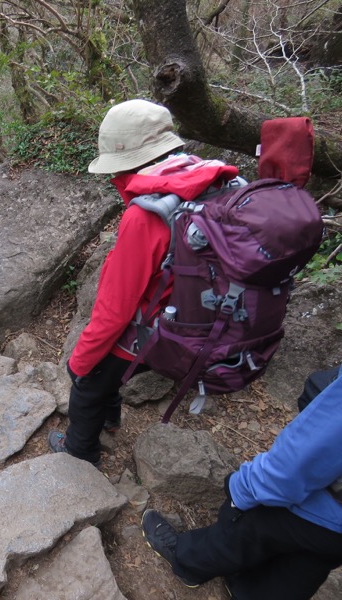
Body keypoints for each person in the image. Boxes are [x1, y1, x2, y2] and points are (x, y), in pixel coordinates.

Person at [47, 99, 240, 468]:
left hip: (152, 329)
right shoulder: (216, 181)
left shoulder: (146, 216)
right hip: (206, 318)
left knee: (88, 383)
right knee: (109, 376)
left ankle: (79, 453)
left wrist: (79, 362)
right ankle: (112, 420)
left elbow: (115, 311)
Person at [141, 371, 342, 600]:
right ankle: (247, 590)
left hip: (317, 506)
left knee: (245, 530)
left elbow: (300, 461)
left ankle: (187, 562)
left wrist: (242, 487)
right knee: (300, 571)